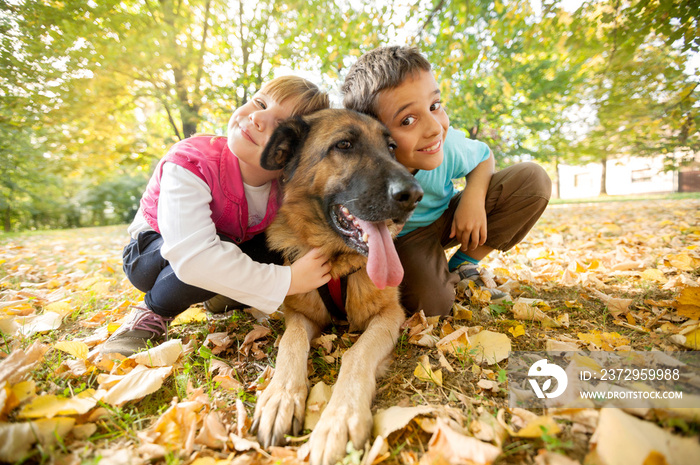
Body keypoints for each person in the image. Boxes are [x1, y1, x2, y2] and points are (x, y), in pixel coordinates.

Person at [100, 76, 332, 356]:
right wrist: (289, 280)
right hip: (151, 253)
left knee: (273, 246)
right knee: (209, 256)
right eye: (260, 102)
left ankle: (222, 293)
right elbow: (195, 258)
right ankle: (150, 313)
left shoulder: (283, 189)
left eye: (282, 126)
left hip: (223, 245)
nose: (258, 117)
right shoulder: (191, 161)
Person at [341, 46, 551, 317]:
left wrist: (473, 199)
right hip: (405, 240)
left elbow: (483, 156)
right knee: (432, 306)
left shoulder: (445, 144)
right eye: (408, 120)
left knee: (532, 180)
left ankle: (464, 266)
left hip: (448, 219)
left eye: (434, 106)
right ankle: (437, 277)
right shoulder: (362, 169)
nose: (434, 127)